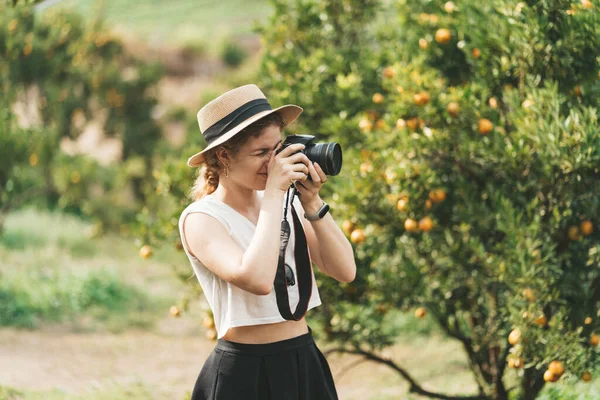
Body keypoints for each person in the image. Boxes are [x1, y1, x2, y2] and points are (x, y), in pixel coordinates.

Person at [178, 84, 356, 400]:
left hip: (303, 359)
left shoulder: (285, 202)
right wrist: (274, 193)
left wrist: (313, 203)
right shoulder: (202, 218)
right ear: (223, 157)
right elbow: (258, 279)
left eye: (277, 150)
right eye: (261, 153)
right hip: (244, 373)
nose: (274, 163)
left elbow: (344, 270)